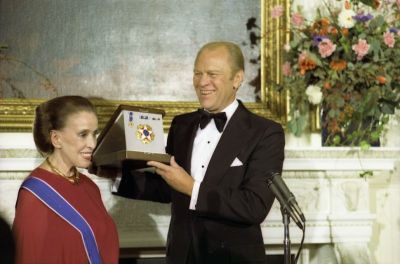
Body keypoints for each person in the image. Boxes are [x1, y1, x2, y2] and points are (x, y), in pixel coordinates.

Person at [113, 41, 285, 264]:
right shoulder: (181, 125)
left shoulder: (265, 132)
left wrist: (192, 188)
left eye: (212, 74)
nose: (202, 82)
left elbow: (253, 206)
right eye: (197, 73)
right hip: (181, 256)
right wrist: (115, 176)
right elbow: (169, 188)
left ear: (237, 79)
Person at [13, 96, 119, 264]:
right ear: (56, 139)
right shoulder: (33, 196)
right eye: (83, 134)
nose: (92, 143)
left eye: (94, 134)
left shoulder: (89, 186)